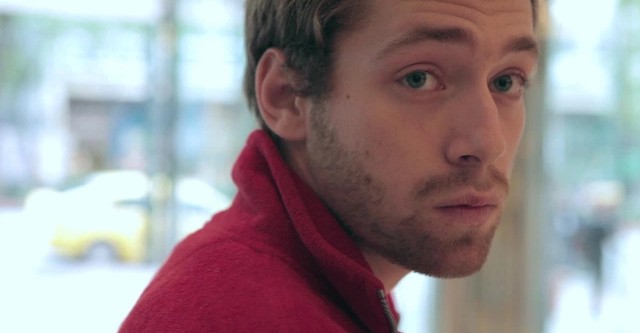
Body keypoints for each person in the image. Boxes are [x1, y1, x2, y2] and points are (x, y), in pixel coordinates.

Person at [120, 0, 540, 331]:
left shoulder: (326, 294)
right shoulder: (231, 314)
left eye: (507, 81)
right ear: (286, 95)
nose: (489, 142)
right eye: (419, 78)